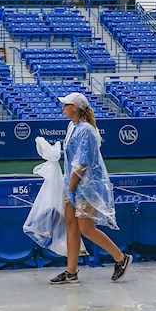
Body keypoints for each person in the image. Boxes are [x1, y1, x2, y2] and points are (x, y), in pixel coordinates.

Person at [50, 92, 131, 284]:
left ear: (75, 108)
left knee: (86, 228)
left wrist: (71, 187)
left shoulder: (85, 130)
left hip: (86, 187)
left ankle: (121, 258)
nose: (63, 108)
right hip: (73, 184)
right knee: (70, 225)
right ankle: (71, 271)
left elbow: (83, 163)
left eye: (66, 105)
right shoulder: (73, 127)